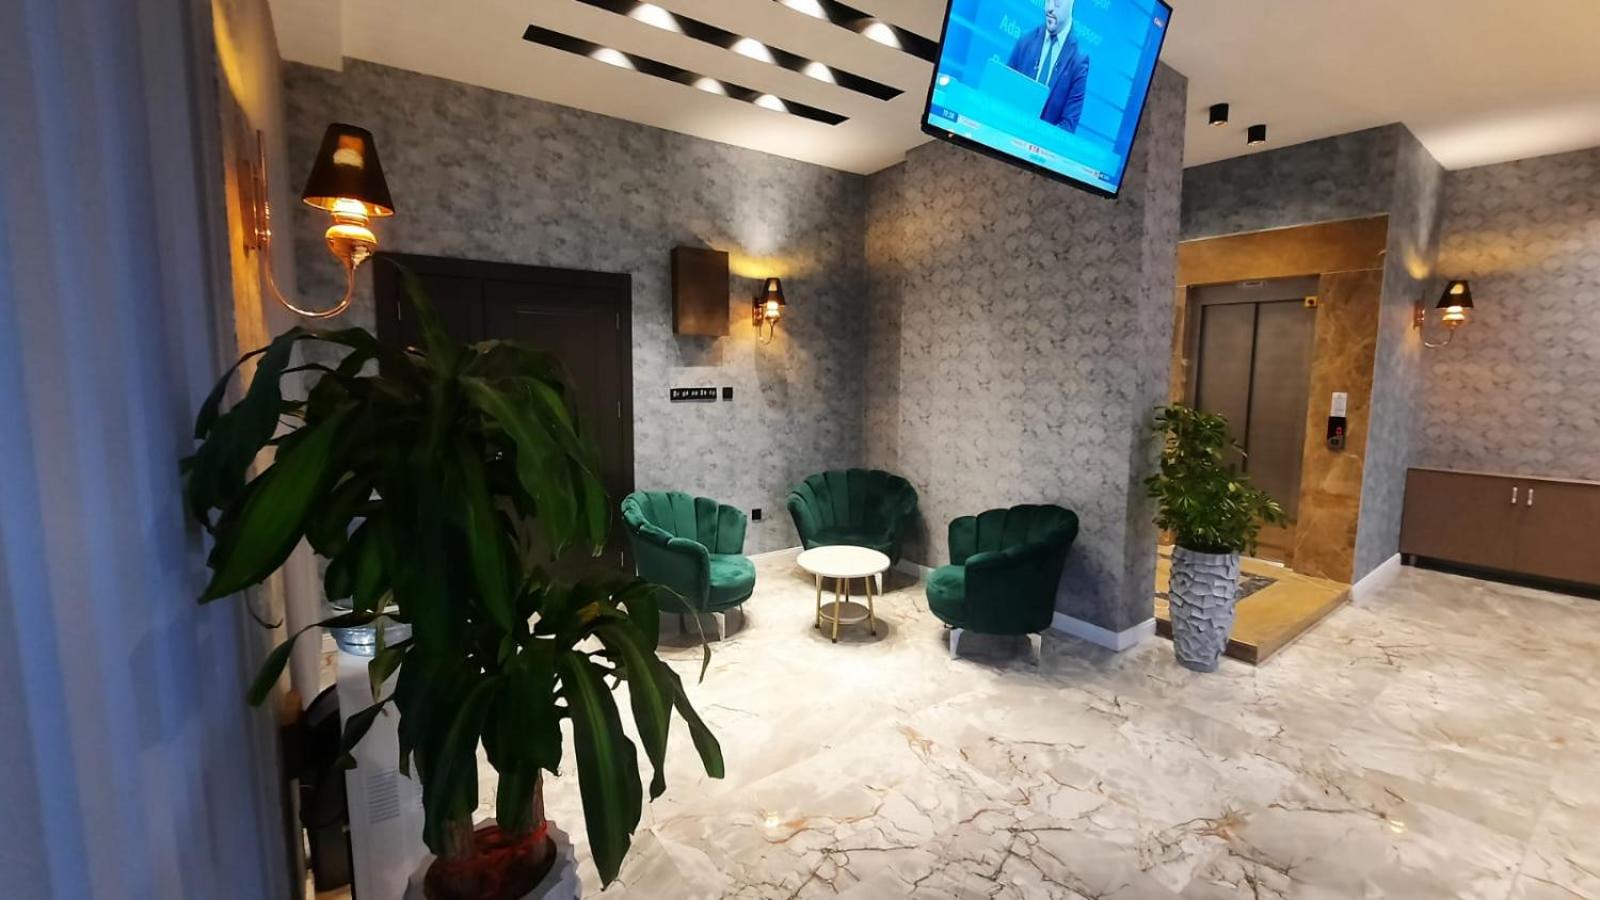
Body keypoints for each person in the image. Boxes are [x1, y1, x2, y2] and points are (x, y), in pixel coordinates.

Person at [1005, 0, 1091, 132]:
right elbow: (1002, 95)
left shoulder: (1079, 61)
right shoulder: (1025, 41)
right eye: (1047, 1)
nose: (1049, 8)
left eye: (1057, 2)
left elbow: (1068, 125)